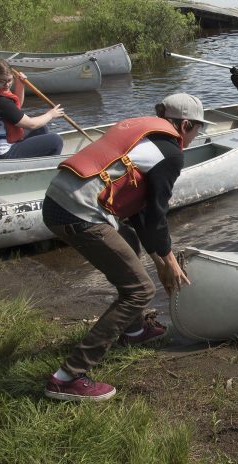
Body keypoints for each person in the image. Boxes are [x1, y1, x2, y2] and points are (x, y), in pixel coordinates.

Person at [42, 93, 210, 401]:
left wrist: (163, 258)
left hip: (56, 201)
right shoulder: (171, 153)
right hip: (77, 213)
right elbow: (156, 215)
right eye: (197, 129)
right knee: (140, 291)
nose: (197, 135)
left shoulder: (143, 132)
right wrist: (168, 261)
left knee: (129, 241)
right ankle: (67, 377)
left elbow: (140, 214)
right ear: (185, 125)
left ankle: (133, 331)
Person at [0, 59, 66, 159]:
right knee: (56, 141)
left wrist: (19, 84)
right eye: (2, 81)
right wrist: (50, 115)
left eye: (9, 80)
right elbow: (31, 124)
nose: (7, 85)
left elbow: (15, 108)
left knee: (41, 128)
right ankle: (43, 168)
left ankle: (31, 161)